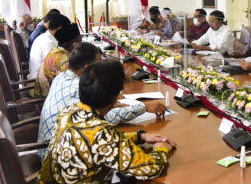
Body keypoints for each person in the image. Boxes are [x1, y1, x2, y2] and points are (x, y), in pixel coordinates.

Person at [33, 59, 175, 184]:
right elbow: (150, 169)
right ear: (115, 98)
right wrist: (162, 149)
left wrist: (140, 136)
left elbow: (96, 143)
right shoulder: (102, 133)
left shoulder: (70, 111)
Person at [37, 43, 165, 160]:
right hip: (56, 156)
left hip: (55, 153)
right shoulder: (79, 90)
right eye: (99, 64)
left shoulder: (61, 77)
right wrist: (143, 107)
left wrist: (138, 136)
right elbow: (106, 119)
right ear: (87, 68)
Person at [33, 23, 81, 98]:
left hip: (45, 96)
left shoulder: (56, 50)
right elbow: (73, 87)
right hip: (47, 101)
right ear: (74, 45)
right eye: (81, 41)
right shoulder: (65, 60)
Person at [29, 14, 70, 79]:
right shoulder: (48, 43)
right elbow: (54, 71)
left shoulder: (45, 38)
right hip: (40, 83)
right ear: (60, 29)